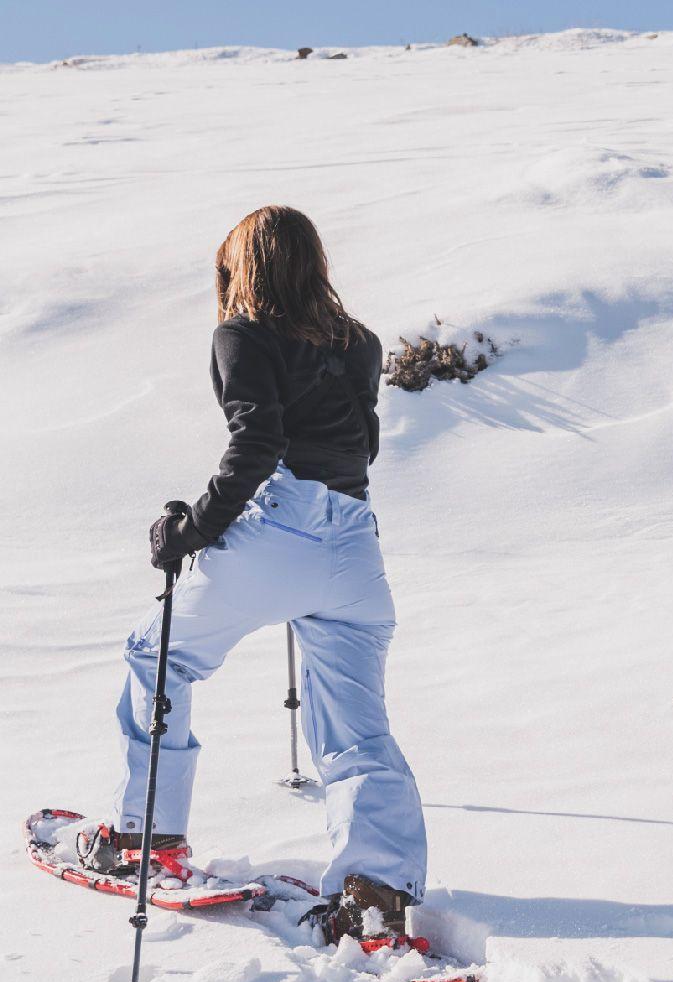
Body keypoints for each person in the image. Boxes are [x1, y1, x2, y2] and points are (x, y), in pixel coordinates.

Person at [78, 205, 427, 944]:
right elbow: (361, 441)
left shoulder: (242, 334)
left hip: (284, 524)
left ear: (245, 265)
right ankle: (376, 892)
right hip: (355, 542)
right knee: (358, 730)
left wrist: (190, 530)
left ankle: (147, 836)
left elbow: (257, 440)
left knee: (158, 653)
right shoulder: (359, 342)